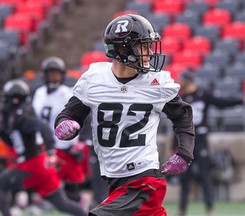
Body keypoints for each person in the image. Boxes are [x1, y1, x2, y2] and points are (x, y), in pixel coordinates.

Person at [54, 14, 195, 216]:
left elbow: (182, 116)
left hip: (144, 179)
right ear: (121, 49)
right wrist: (65, 123)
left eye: (150, 46)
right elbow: (70, 112)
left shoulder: (157, 83)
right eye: (142, 46)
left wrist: (184, 153)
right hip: (114, 178)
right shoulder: (94, 79)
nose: (149, 53)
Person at [0, 79, 87, 216]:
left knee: (2, 184)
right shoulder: (17, 115)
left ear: (16, 99)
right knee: (63, 204)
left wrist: (51, 151)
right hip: (40, 165)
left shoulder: (23, 117)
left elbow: (43, 128)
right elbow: (11, 139)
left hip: (33, 164)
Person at [174, 71, 243, 216]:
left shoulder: (203, 95)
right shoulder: (183, 98)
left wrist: (240, 100)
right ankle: (182, 209)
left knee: (205, 174)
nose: (179, 82)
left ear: (188, 80)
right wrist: (175, 144)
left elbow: (221, 103)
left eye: (182, 80)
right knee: (185, 177)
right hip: (186, 141)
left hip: (201, 139)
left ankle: (209, 209)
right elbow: (178, 123)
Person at [31, 56, 89, 204]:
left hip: (63, 144)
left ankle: (76, 203)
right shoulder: (39, 93)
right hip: (43, 144)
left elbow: (78, 116)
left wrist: (78, 140)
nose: (53, 77)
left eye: (56, 73)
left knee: (70, 181)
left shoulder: (67, 93)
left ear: (62, 75)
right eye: (50, 73)